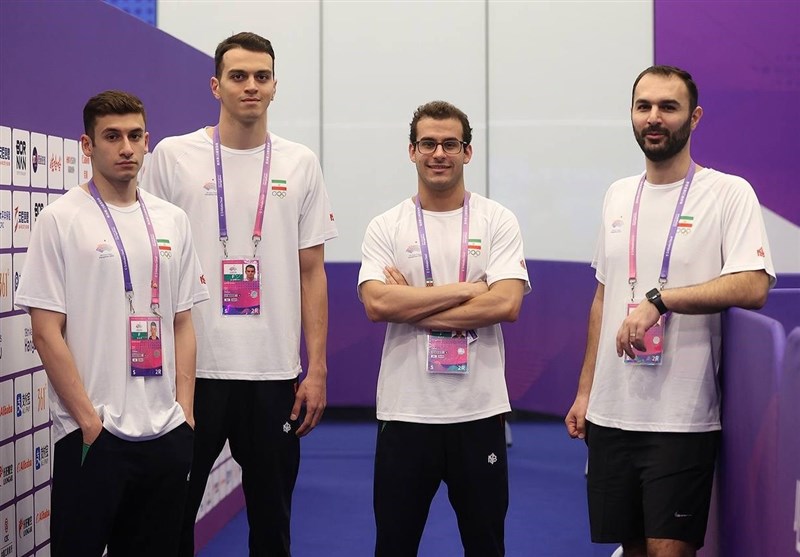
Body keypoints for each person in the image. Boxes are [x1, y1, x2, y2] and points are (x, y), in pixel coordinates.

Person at [565, 65, 775, 557]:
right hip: (612, 414)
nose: (654, 118)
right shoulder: (618, 195)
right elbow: (603, 297)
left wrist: (661, 301)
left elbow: (753, 284)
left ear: (694, 117)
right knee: (633, 549)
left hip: (681, 419)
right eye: (644, 107)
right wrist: (585, 392)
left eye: (668, 107)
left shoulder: (728, 193)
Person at [141, 32, 337, 556]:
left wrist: (316, 368)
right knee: (171, 520)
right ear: (216, 86)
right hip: (191, 373)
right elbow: (148, 260)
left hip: (273, 374)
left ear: (274, 86)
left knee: (272, 526)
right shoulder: (173, 157)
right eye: (238, 76)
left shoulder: (300, 163)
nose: (251, 86)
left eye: (261, 76)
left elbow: (312, 273)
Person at [15, 90, 208, 556]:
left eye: (135, 136)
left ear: (147, 141)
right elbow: (46, 332)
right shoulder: (60, 219)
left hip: (165, 433)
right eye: (112, 136)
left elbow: (182, 321)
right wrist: (88, 421)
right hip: (93, 435)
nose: (126, 147)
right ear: (87, 145)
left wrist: (184, 413)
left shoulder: (173, 220)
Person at [358, 100, 530, 556]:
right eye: (428, 144)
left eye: (450, 144)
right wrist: (470, 291)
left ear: (467, 152)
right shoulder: (386, 226)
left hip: (479, 413)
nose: (439, 153)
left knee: (486, 545)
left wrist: (411, 305)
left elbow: (507, 303)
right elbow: (377, 303)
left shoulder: (497, 220)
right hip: (405, 414)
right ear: (411, 151)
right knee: (394, 546)